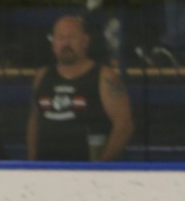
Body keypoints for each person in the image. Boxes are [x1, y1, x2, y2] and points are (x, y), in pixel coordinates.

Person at [28, 15, 134, 162]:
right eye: (60, 37)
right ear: (53, 43)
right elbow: (34, 123)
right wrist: (32, 165)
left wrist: (100, 167)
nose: (66, 43)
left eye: (72, 37)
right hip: (46, 169)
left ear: (85, 41)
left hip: (86, 169)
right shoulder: (42, 76)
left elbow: (124, 125)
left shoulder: (104, 77)